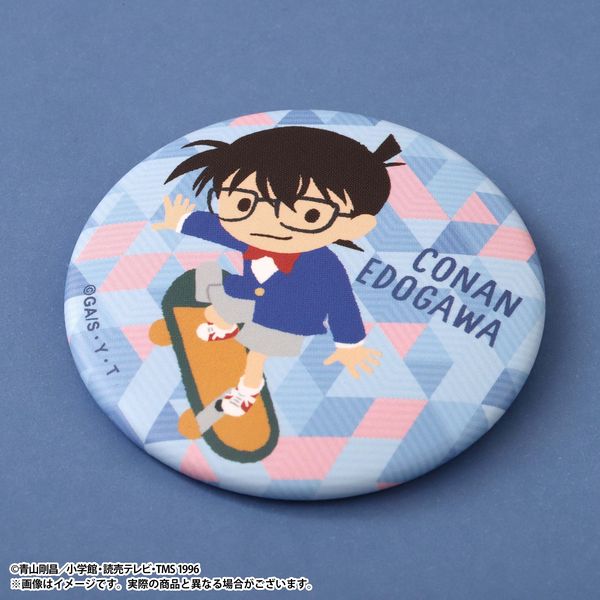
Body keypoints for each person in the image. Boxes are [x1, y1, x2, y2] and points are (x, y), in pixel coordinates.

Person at [153, 126, 403, 417]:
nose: (266, 222)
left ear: (354, 226)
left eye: (310, 214)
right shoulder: (252, 235)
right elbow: (218, 229)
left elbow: (341, 301)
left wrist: (349, 343)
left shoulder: (325, 265)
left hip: (286, 316)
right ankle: (225, 326)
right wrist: (182, 221)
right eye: (244, 203)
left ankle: (248, 389)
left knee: (256, 354)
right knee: (217, 306)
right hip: (247, 292)